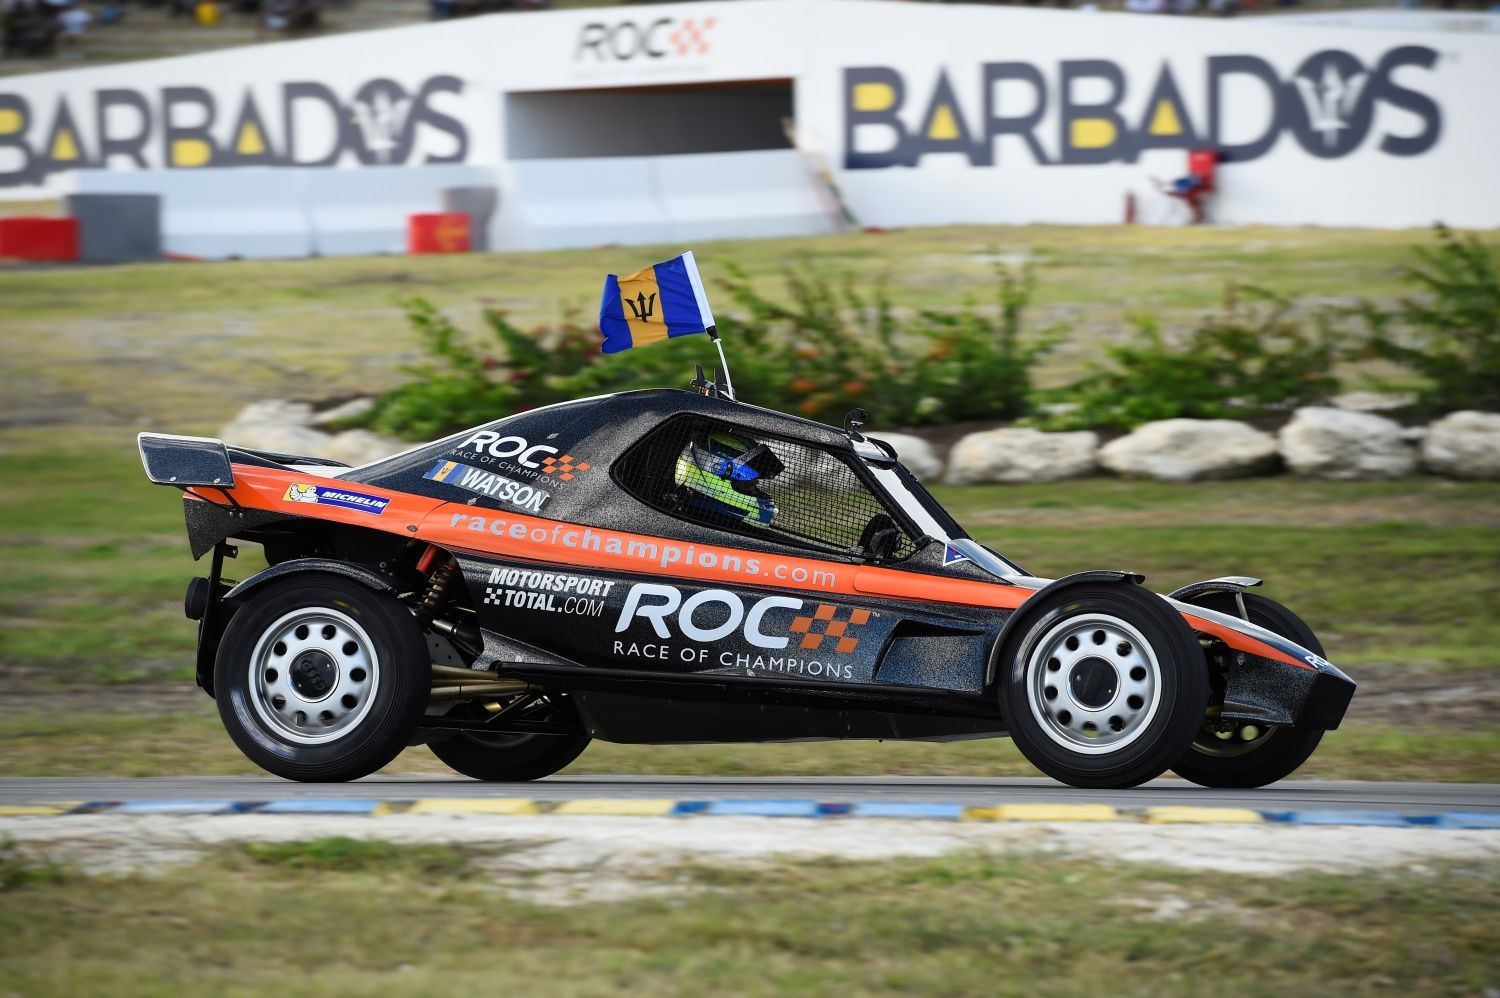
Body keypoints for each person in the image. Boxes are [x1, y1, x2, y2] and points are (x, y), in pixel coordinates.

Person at [673, 431, 783, 529]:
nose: (754, 492)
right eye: (747, 485)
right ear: (716, 477)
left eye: (754, 484)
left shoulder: (726, 525)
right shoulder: (688, 527)